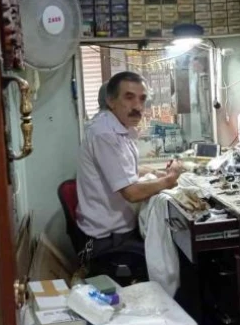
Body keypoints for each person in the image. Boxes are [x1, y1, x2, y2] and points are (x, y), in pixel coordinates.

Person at [76, 71, 183, 265]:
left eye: (142, 99)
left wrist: (156, 173)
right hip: (108, 239)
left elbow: (124, 167)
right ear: (111, 101)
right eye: (129, 97)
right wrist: (169, 180)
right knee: (176, 255)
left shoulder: (118, 127)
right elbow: (132, 193)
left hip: (117, 229)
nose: (138, 106)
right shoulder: (105, 134)